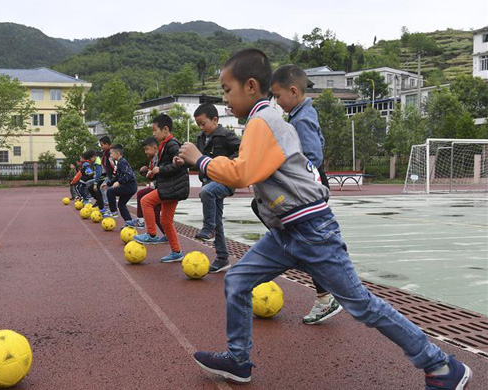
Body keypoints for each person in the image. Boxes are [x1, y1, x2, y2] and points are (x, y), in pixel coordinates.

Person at [179, 48, 472, 389]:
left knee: (362, 305)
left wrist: (199, 160)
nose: (224, 99)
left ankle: (441, 366)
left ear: (250, 86)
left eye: (227, 90)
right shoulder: (263, 122)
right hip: (286, 232)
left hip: (312, 230)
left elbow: (243, 173)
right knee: (238, 280)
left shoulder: (263, 121)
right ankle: (239, 360)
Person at [269, 64, 340, 324]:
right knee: (309, 245)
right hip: (309, 190)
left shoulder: (302, 119)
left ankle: (327, 297)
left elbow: (313, 156)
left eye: (277, 96)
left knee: (309, 246)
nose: (276, 102)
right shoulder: (301, 115)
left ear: (294, 91)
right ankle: (326, 295)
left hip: (308, 193)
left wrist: (288, 174)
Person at [134, 114, 189, 263]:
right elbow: (166, 167)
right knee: (165, 221)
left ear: (165, 129)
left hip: (172, 188)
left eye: (154, 130)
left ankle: (151, 234)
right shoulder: (164, 145)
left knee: (146, 201)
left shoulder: (172, 144)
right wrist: (154, 172)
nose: (153, 133)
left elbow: (179, 165)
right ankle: (176, 251)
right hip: (170, 187)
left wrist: (160, 170)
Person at [192, 103, 241, 273]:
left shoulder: (226, 135)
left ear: (215, 120)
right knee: (217, 219)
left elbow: (242, 151)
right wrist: (182, 160)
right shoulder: (199, 138)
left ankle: (208, 229)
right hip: (208, 180)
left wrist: (225, 164)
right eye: (198, 124)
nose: (201, 127)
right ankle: (222, 258)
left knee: (206, 192)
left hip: (225, 180)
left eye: (203, 123)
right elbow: (195, 157)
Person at [126, 137, 165, 241]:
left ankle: (141, 222)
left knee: (142, 195)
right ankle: (166, 235)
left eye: (147, 149)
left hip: (162, 188)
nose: (145, 152)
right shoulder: (152, 159)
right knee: (156, 214)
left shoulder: (159, 157)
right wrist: (147, 172)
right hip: (158, 187)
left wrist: (152, 172)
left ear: (155, 147)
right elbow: (153, 174)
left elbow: (160, 172)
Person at [103, 144, 137, 221]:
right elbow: (117, 176)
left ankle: (113, 211)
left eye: (111, 153)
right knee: (121, 205)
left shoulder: (122, 162)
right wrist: (108, 183)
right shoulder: (119, 163)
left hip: (129, 187)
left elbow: (128, 175)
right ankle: (129, 222)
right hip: (130, 187)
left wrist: (119, 182)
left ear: (117, 153)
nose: (110, 155)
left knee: (110, 192)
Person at [98, 136, 115, 213]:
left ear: (107, 144)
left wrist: (114, 176)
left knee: (104, 188)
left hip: (112, 176)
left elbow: (114, 165)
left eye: (102, 145)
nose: (101, 147)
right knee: (105, 189)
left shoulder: (109, 153)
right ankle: (109, 207)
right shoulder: (105, 153)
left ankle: (108, 207)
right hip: (108, 175)